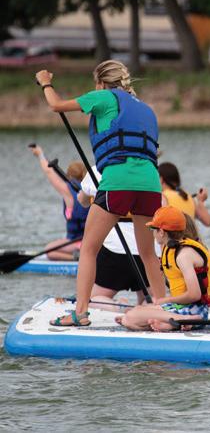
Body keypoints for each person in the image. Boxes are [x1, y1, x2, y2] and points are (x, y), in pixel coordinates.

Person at [36, 59, 166, 327]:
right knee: (148, 254)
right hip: (151, 183)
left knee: (89, 248)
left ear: (101, 82)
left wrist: (46, 83)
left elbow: (56, 105)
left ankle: (80, 313)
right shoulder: (146, 109)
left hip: (119, 181)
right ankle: (164, 311)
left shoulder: (103, 96)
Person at [117, 206, 210, 331]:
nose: (153, 233)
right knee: (134, 313)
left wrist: (166, 299)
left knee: (131, 317)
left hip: (194, 310)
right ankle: (168, 324)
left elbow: (194, 295)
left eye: (153, 229)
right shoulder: (177, 250)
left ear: (162, 232)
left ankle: (184, 320)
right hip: (186, 308)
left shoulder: (183, 255)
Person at [77, 166, 150, 309]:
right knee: (150, 299)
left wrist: (85, 195)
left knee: (92, 299)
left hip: (114, 249)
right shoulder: (145, 167)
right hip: (146, 250)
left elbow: (83, 201)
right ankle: (143, 309)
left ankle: (119, 308)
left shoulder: (98, 169)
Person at [29, 144, 88, 261]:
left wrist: (40, 154)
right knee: (59, 242)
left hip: (80, 243)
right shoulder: (90, 190)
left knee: (49, 250)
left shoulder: (67, 191)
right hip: (91, 242)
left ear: (69, 176)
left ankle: (76, 258)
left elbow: (49, 171)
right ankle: (80, 255)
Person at [158, 162, 210, 227]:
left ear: (161, 179)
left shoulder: (163, 196)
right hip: (191, 234)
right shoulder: (189, 198)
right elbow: (208, 222)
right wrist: (200, 201)